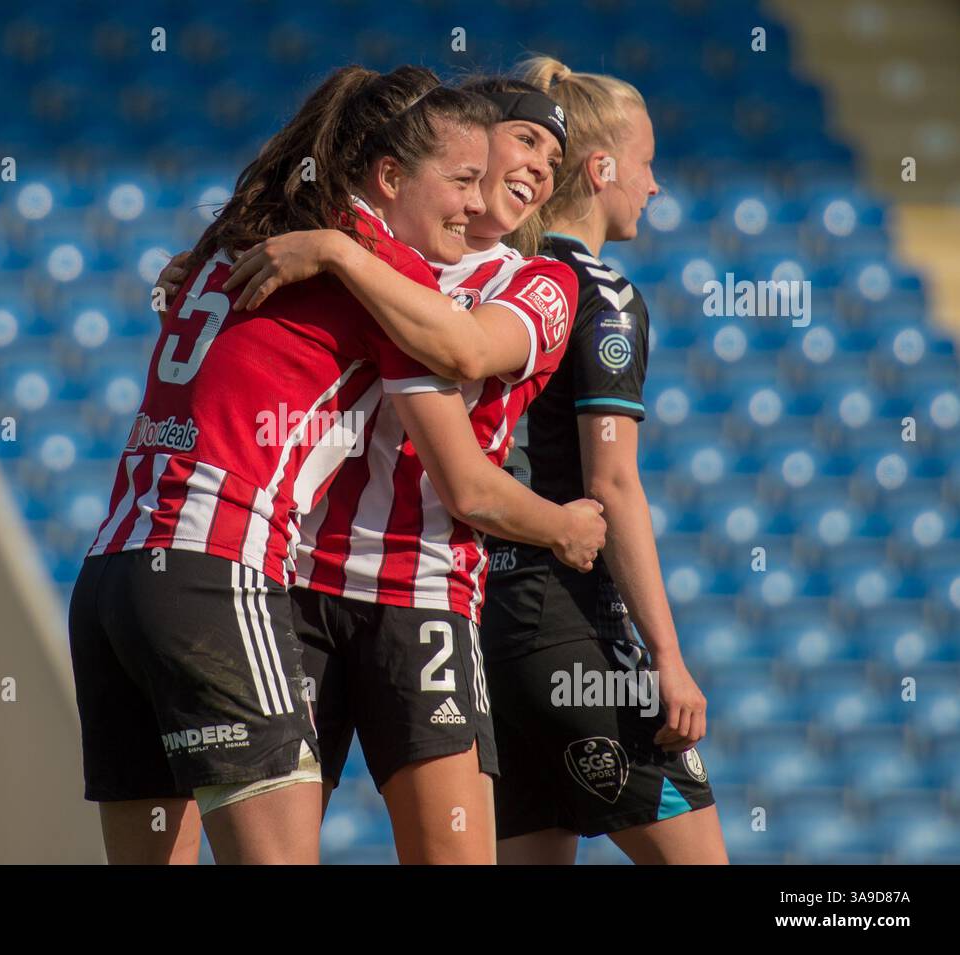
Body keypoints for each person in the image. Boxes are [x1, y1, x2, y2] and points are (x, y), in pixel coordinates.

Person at [72, 65, 604, 865]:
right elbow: (460, 398)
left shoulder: (255, 234)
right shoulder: (381, 268)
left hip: (119, 565)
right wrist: (564, 524)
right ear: (396, 171)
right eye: (470, 172)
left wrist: (323, 249)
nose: (478, 194)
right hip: (236, 568)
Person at [480, 56, 729, 865]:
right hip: (566, 619)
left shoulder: (495, 279)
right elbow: (612, 483)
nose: (655, 186)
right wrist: (666, 655)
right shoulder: (600, 293)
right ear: (601, 168)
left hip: (487, 622)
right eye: (647, 162)